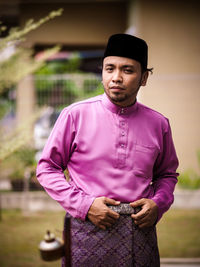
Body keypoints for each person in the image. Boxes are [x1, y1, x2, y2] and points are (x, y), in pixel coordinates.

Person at [36, 33, 179, 267]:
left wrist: (158, 204)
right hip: (86, 230)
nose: (116, 78)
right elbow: (47, 168)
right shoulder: (75, 115)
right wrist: (85, 205)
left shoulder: (158, 124)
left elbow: (167, 174)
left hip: (140, 233)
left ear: (144, 77)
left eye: (128, 70)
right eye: (109, 68)